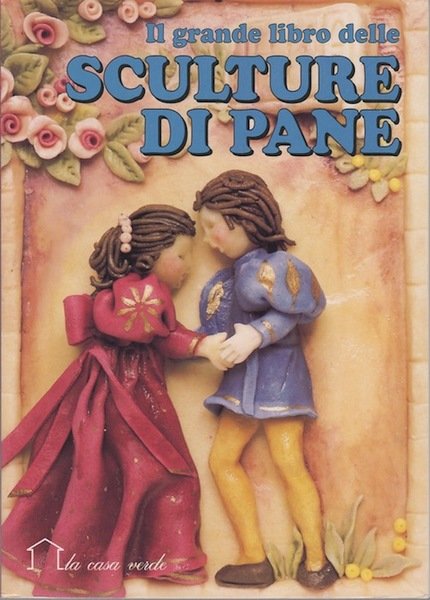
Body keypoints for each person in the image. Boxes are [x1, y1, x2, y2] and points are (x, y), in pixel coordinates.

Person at [1, 205, 227, 598]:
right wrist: (199, 345)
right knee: (140, 470)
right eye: (181, 255)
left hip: (138, 394)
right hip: (115, 392)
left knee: (137, 472)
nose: (189, 266)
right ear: (149, 257)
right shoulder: (140, 296)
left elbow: (162, 335)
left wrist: (200, 345)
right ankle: (146, 556)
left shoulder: (141, 296)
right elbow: (158, 334)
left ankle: (152, 554)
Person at [194, 170, 338, 590]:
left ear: (240, 220)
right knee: (222, 460)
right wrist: (206, 346)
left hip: (280, 379)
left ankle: (316, 561)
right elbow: (218, 325)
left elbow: (302, 310)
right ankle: (253, 557)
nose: (210, 240)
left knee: (288, 461)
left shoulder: (278, 267)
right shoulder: (228, 279)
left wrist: (258, 334)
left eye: (213, 227)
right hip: (241, 384)